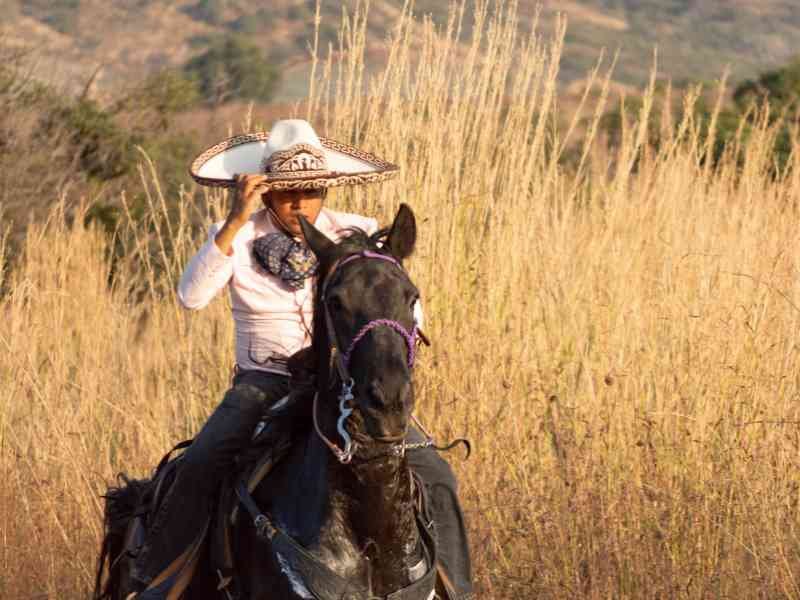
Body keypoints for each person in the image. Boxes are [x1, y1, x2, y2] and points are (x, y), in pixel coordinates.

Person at [129, 119, 473, 599]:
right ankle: (161, 583)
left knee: (436, 472)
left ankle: (457, 589)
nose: (299, 202)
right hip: (263, 383)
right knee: (199, 465)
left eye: (309, 190)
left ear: (325, 189)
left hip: (343, 385)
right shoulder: (236, 236)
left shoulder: (360, 235)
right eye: (287, 191)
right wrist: (234, 219)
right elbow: (191, 296)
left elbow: (406, 309)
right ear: (265, 190)